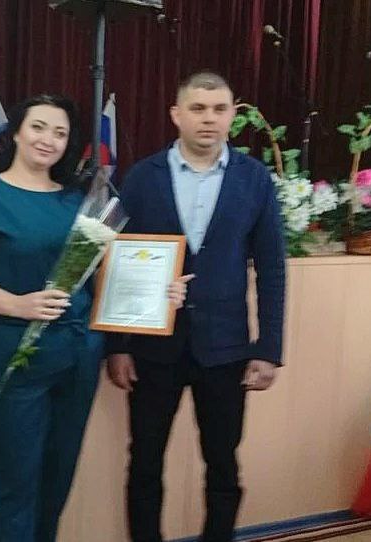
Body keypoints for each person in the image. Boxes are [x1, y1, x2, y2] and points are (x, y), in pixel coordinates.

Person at [0, 93, 190, 542]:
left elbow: (109, 277)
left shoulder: (80, 200)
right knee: (14, 487)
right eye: (38, 127)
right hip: (13, 356)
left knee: (57, 481)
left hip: (77, 357)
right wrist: (16, 304)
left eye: (60, 132)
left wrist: (161, 291)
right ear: (16, 132)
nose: (48, 139)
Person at [106, 71, 286, 542]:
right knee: (144, 463)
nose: (209, 119)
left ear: (232, 116)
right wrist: (117, 345)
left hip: (226, 350)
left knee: (223, 464)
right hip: (152, 348)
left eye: (219, 109)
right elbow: (119, 263)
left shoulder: (254, 178)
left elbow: (272, 268)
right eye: (198, 109)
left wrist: (268, 348)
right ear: (176, 114)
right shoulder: (142, 177)